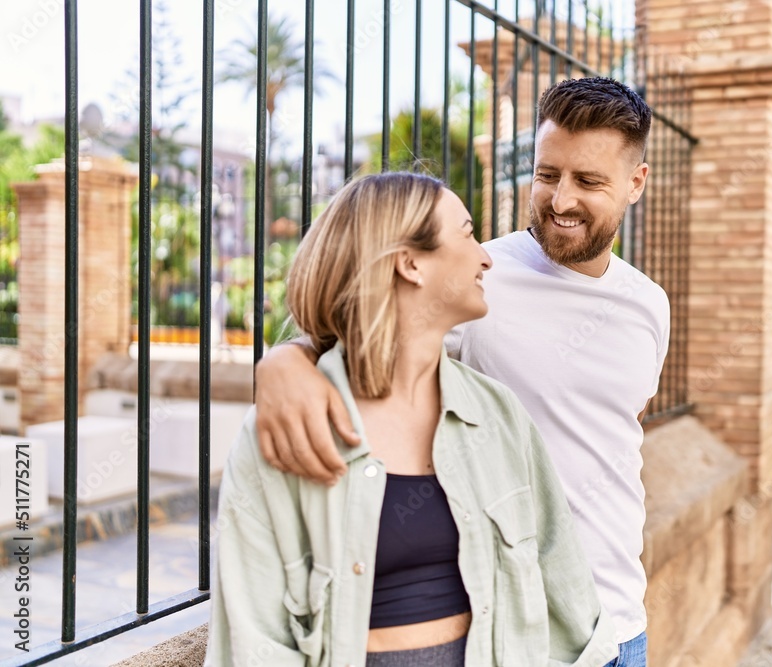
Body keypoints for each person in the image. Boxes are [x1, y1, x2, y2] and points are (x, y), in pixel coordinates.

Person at [254, 78, 670, 666]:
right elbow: (350, 333)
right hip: (518, 627)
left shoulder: (649, 305)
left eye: (589, 181)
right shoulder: (474, 277)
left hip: (622, 625)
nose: (560, 200)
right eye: (547, 175)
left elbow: (621, 433)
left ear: (636, 182)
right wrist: (282, 363)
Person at [204, 172, 618, 667]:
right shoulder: (285, 429)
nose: (485, 256)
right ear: (410, 264)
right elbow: (255, 642)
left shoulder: (500, 415)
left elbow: (563, 583)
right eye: (466, 234)